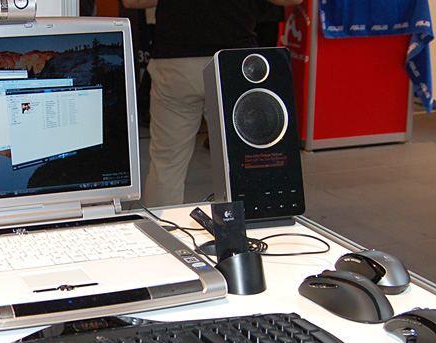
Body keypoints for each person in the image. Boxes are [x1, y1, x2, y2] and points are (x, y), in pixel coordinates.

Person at [122, 0, 303, 207]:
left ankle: (162, 226)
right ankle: (245, 224)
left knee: (167, 164)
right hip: (233, 62)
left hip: (176, 60)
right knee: (245, 161)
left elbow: (132, 1)